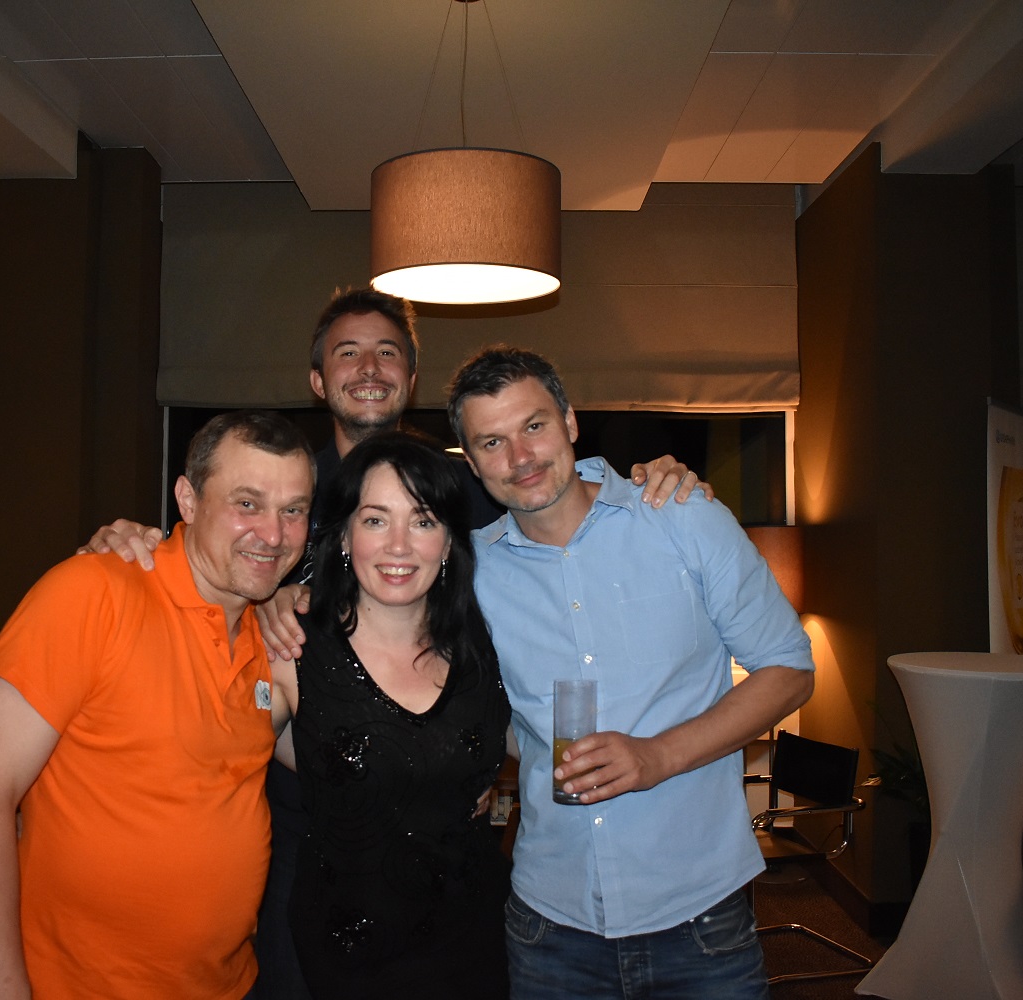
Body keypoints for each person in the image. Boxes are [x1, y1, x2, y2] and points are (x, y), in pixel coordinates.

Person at [83, 286, 705, 999]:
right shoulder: (291, 487)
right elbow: (214, 576)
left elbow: (552, 502)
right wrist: (148, 550)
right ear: (318, 380)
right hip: (306, 843)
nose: (400, 543)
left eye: (387, 352)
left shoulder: (467, 491)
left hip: (459, 889)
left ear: (411, 377)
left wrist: (644, 479)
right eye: (347, 353)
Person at [262, 345, 815, 998]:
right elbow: (398, 645)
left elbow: (790, 667)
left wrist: (658, 756)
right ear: (471, 463)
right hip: (549, 928)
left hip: (698, 914)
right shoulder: (471, 575)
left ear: (570, 421)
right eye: (492, 442)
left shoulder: (683, 519)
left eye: (533, 426)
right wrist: (283, 594)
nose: (520, 457)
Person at [0, 410, 314, 1000]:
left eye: (293, 510)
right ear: (188, 500)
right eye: (247, 503)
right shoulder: (92, 592)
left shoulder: (265, 640)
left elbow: (330, 762)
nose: (273, 534)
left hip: (228, 986)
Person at [268, 431, 511, 999]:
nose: (399, 546)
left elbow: (531, 738)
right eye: (376, 520)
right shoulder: (291, 650)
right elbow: (209, 770)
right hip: (347, 963)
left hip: (478, 946)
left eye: (423, 521)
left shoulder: (482, 644)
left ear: (448, 542)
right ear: (344, 535)